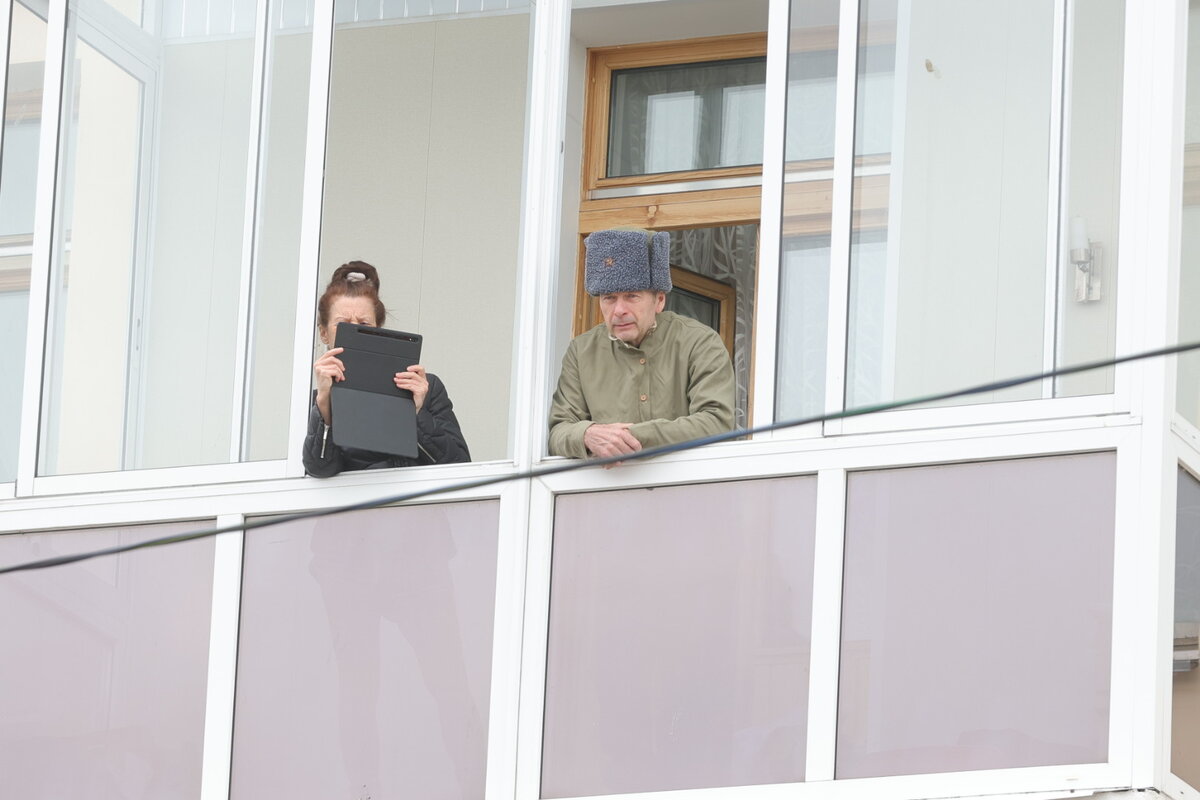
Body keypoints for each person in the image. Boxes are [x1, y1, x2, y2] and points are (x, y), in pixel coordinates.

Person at [548, 228, 735, 465]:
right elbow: (558, 432)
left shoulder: (699, 342)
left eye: (632, 296)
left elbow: (717, 422)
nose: (619, 310)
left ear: (659, 300)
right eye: (609, 298)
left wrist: (626, 439)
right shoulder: (581, 351)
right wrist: (587, 435)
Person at [303, 261, 469, 475]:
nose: (355, 332)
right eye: (343, 324)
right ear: (324, 333)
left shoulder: (426, 387)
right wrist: (325, 405)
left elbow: (459, 465)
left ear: (378, 329)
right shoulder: (316, 400)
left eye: (364, 324)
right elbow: (319, 470)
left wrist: (416, 413)